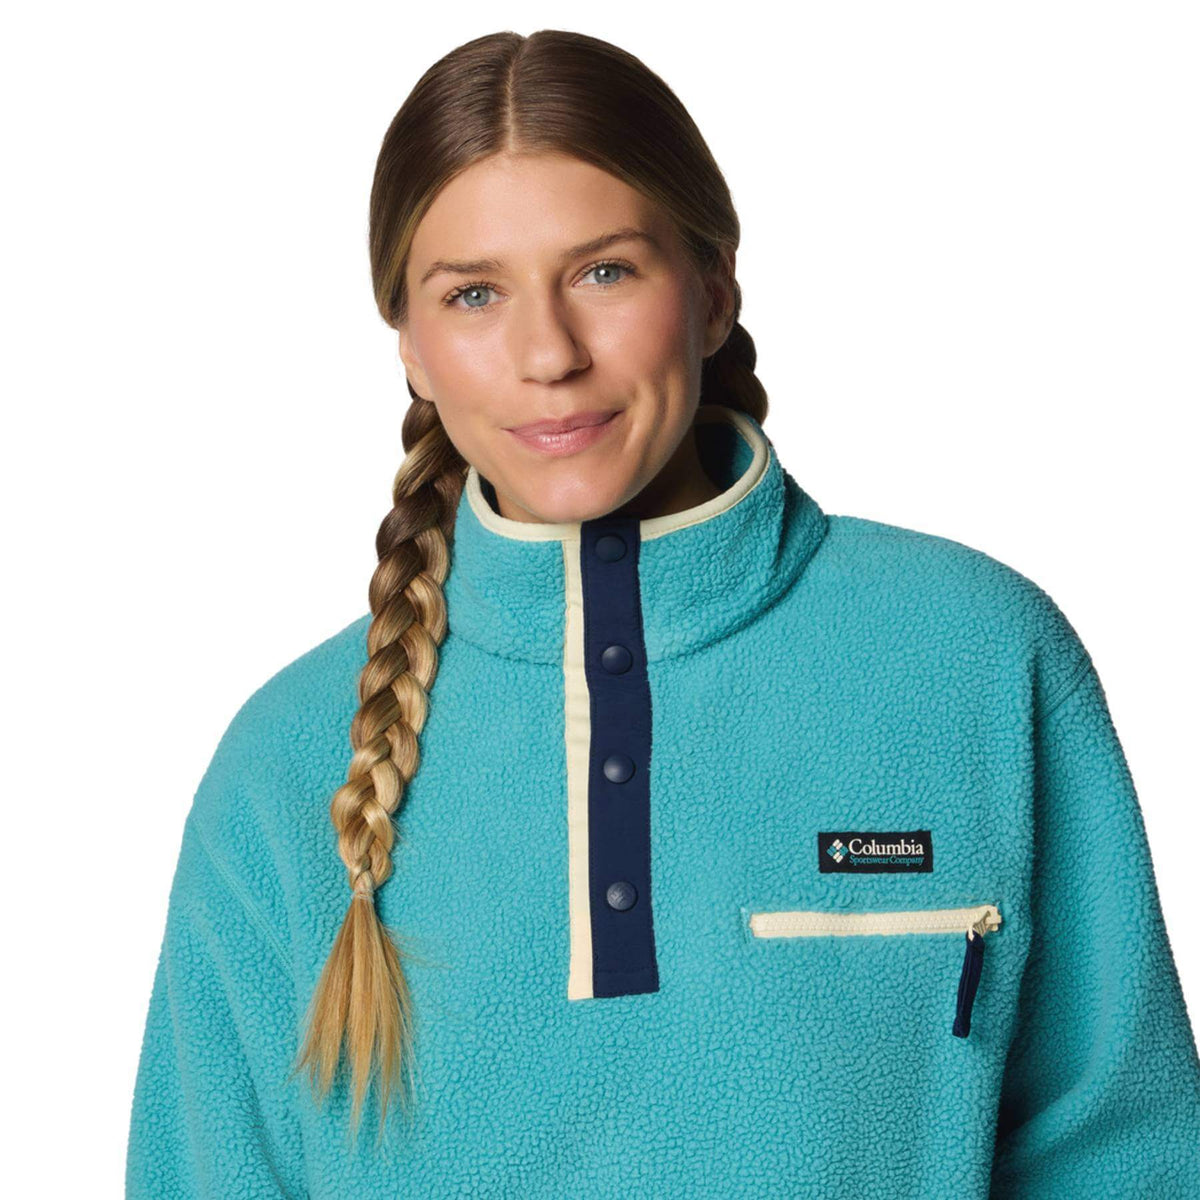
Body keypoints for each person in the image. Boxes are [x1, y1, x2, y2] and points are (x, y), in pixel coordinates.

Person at [125, 28, 1200, 1199]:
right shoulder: (286, 762)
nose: (548, 353)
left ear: (714, 291)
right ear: (413, 351)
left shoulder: (974, 657)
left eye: (604, 273)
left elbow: (1128, 1158)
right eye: (474, 294)